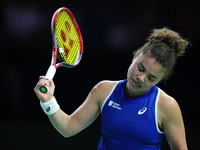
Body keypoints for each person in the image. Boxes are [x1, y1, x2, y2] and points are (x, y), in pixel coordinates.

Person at [34, 27, 189, 150]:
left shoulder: (166, 106)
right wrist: (48, 102)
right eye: (140, 68)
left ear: (161, 80)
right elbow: (69, 127)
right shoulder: (104, 90)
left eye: (151, 78)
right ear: (134, 57)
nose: (141, 78)